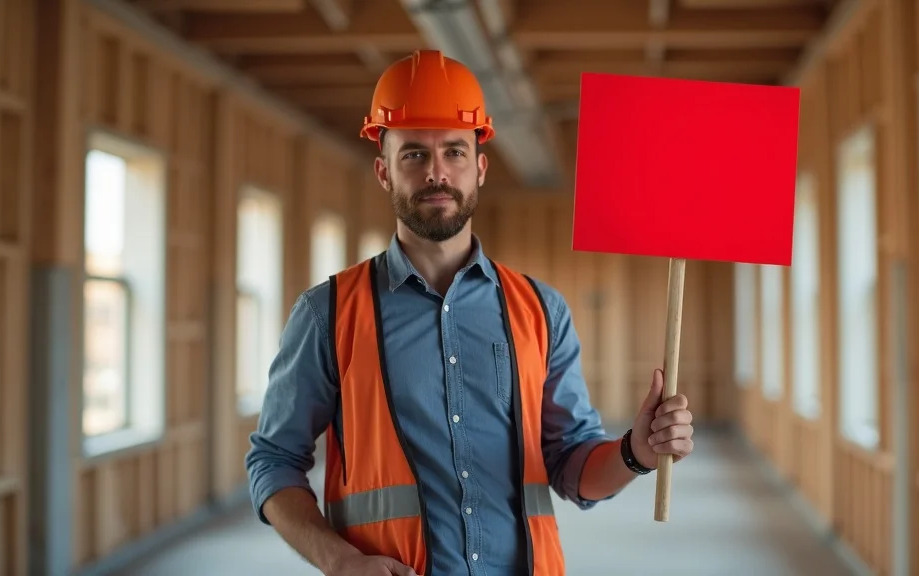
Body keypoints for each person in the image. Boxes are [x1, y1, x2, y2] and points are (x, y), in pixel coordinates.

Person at [244, 49, 695, 576]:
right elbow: (272, 461)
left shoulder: (541, 310)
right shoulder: (328, 313)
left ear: (479, 167)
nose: (437, 172)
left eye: (454, 152)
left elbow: (572, 466)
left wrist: (635, 452)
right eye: (413, 154)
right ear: (383, 171)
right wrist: (339, 561)